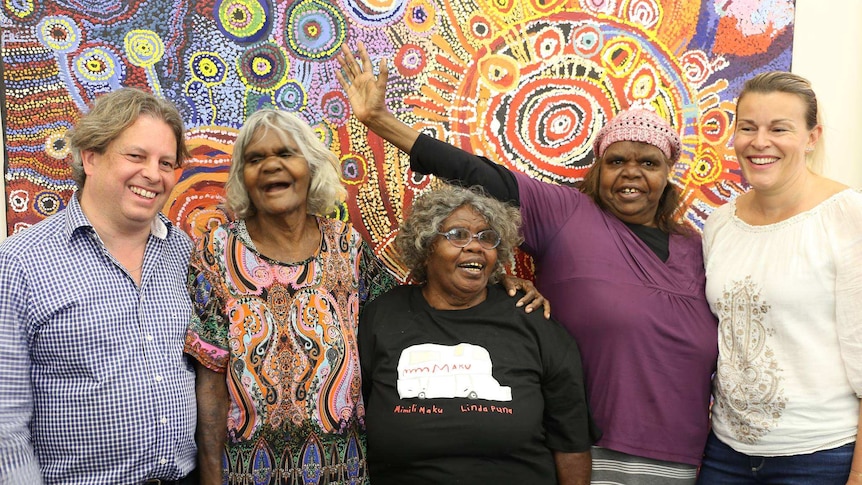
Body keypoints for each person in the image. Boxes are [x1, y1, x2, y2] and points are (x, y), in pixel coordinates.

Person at [338, 42, 718, 484]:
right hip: (599, 449)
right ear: (597, 168)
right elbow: (474, 172)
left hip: (686, 455)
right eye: (616, 161)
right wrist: (379, 121)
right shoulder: (568, 213)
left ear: (668, 171)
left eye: (649, 162)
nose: (631, 172)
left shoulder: (698, 246)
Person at [184, 109, 546, 484]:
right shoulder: (217, 251)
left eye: (285, 154)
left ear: (310, 166)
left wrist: (494, 281)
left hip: (343, 467)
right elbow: (210, 374)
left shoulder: (347, 244)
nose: (270, 166)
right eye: (255, 159)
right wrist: (211, 471)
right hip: (247, 468)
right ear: (243, 177)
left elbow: (412, 310)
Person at [0, 88, 197, 484]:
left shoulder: (183, 252)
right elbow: (5, 421)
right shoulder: (20, 262)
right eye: (136, 156)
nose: (153, 175)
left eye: (166, 163)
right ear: (91, 157)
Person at [359, 184, 600, 484]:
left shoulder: (532, 320)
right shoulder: (383, 315)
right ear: (426, 247)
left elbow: (571, 441)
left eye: (487, 238)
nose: (475, 246)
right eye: (458, 235)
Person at [696, 72, 862, 484]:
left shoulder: (847, 217)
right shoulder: (720, 224)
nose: (759, 142)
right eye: (747, 127)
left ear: (812, 137)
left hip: (820, 456)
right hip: (725, 453)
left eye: (779, 129)